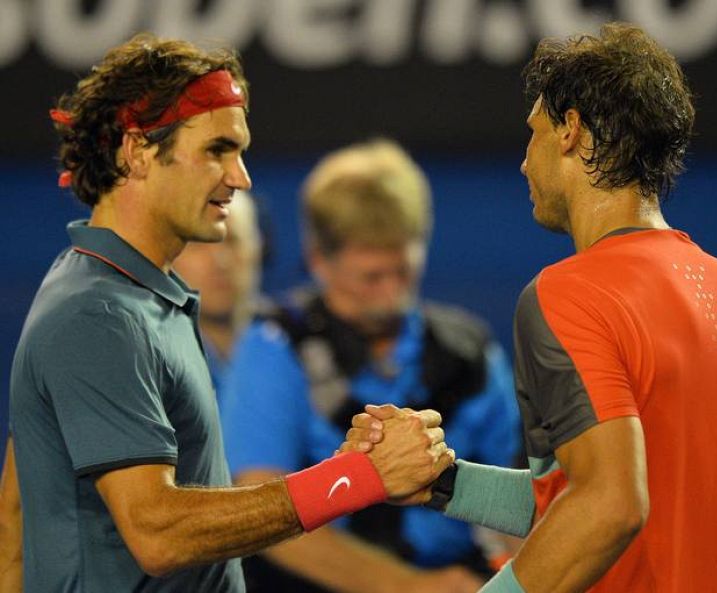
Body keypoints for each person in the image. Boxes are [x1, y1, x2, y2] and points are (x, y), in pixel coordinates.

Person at [0, 34, 453, 593]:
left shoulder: (128, 296)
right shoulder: (101, 314)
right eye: (218, 149)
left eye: (239, 152)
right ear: (137, 151)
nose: (241, 177)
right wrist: (356, 477)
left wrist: (344, 470)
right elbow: (160, 533)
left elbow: (16, 513)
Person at [344, 23, 717, 593]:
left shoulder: (569, 293)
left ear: (570, 131)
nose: (525, 164)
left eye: (533, 133)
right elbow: (601, 500)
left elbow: (609, 507)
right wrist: (444, 483)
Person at [220, 139, 521, 593]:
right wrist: (406, 587)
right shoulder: (274, 346)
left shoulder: (469, 351)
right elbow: (262, 510)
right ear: (319, 260)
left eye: (403, 271)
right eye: (371, 277)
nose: (392, 294)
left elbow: (520, 502)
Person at [172, 190, 267, 389]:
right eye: (199, 243)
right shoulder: (148, 362)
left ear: (257, 250)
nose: (221, 261)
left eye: (232, 240)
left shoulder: (294, 345)